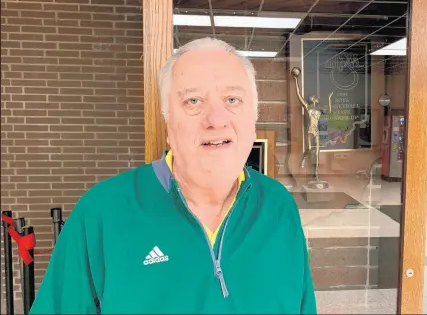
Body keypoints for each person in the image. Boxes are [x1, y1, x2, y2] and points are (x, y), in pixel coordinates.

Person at [29, 37, 317, 314]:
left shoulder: (278, 206)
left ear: (253, 117)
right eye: (193, 101)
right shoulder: (102, 213)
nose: (216, 119)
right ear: (168, 121)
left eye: (232, 99)